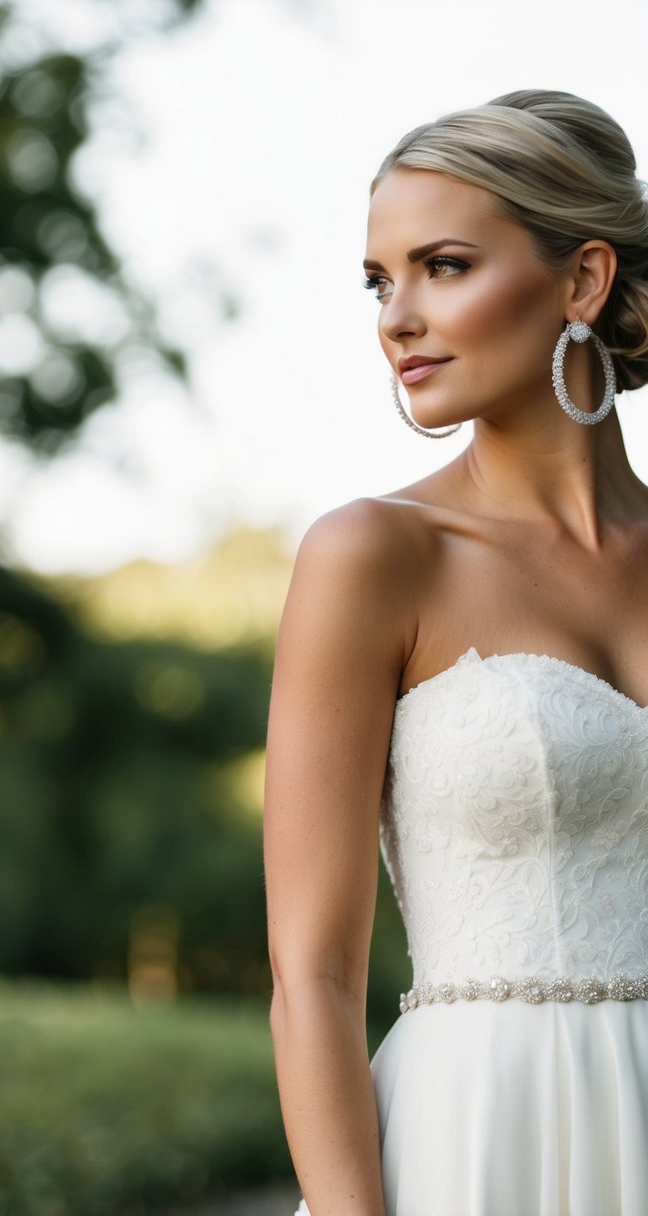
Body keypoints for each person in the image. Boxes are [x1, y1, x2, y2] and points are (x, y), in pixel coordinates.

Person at [263, 89, 648, 1216]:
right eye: (381, 281)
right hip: (472, 1144)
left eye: (441, 266)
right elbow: (313, 979)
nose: (395, 317)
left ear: (581, 280)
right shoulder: (373, 555)